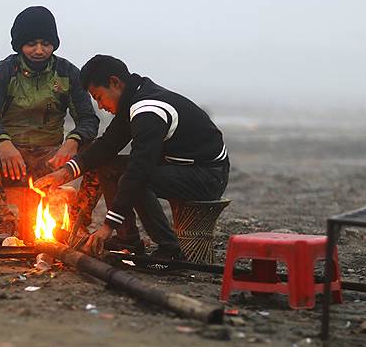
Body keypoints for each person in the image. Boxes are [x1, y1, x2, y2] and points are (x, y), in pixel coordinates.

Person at [35, 55, 230, 259]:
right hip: (180, 166)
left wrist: (107, 225)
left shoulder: (148, 109)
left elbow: (139, 170)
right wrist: (65, 173)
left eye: (99, 97)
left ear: (114, 83)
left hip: (208, 175)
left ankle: (169, 249)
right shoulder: (133, 100)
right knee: (109, 165)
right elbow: (107, 145)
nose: (100, 106)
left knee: (137, 178)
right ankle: (128, 240)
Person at [0, 6, 99, 237]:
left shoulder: (68, 74)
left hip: (52, 161)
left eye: (45, 44)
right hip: (11, 161)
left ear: (54, 44)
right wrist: (4, 144)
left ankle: (77, 223)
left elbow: (88, 119)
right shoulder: (2, 72)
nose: (39, 50)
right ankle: (4, 222)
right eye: (31, 44)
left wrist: (74, 141)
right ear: (19, 45)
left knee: (100, 151)